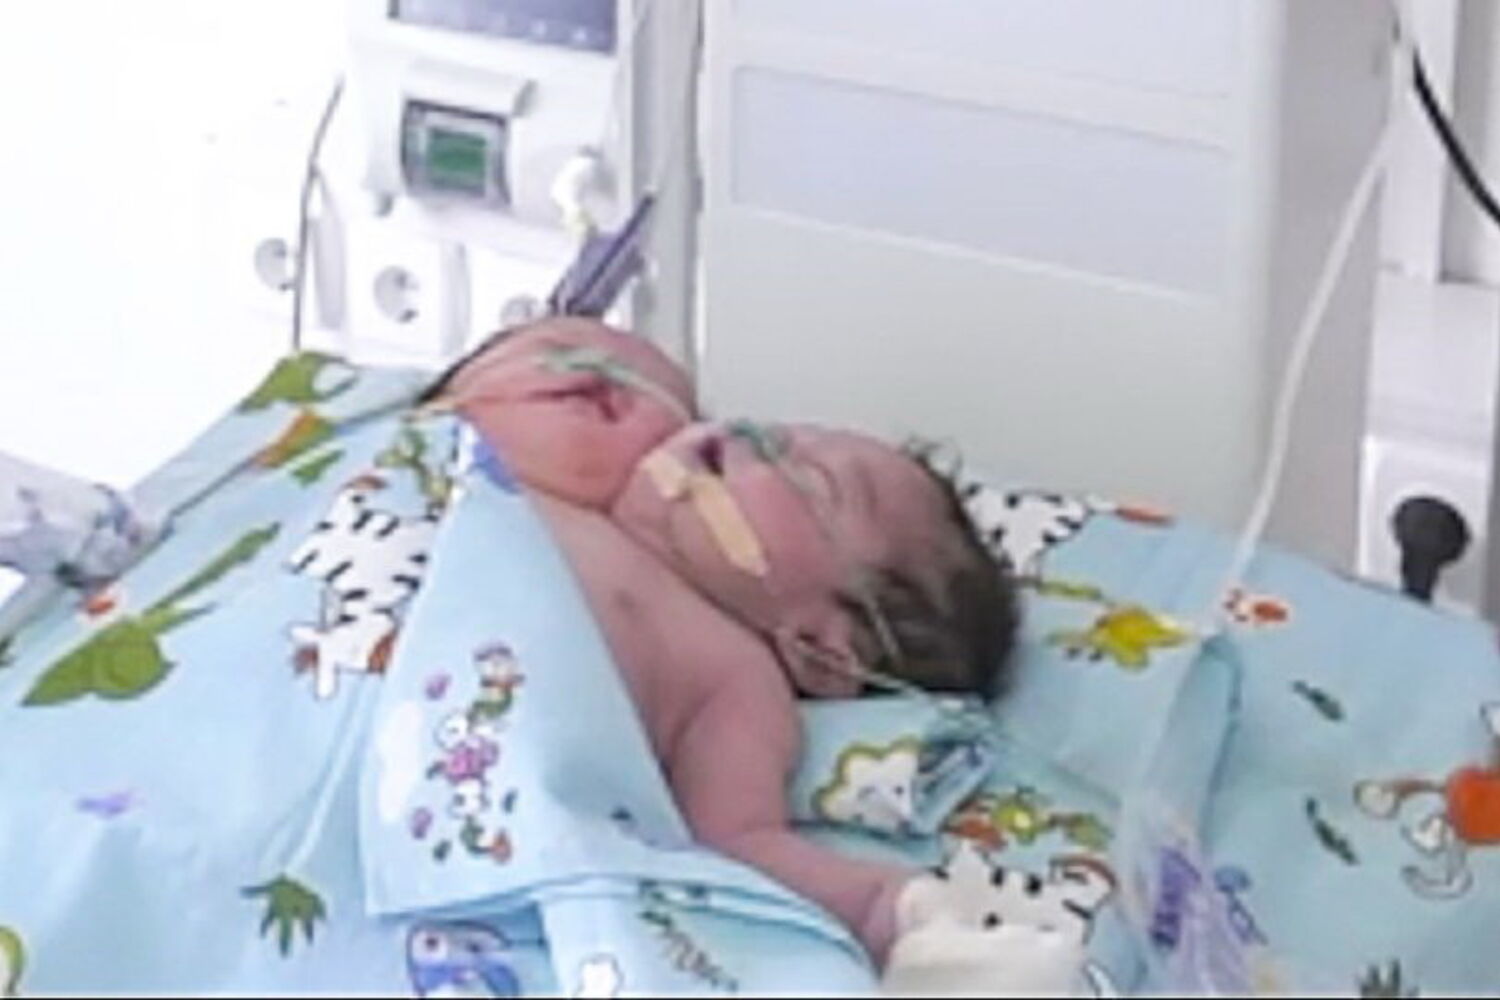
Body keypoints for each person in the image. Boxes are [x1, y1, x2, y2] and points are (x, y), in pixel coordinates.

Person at [436, 316, 1019, 969]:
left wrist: (892, 910)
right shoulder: (551, 494)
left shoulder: (734, 678)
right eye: (788, 433)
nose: (757, 438)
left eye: (815, 481)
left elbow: (739, 847)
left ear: (822, 652)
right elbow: (464, 413)